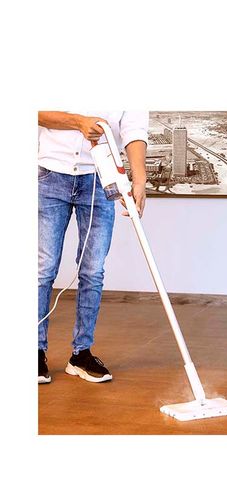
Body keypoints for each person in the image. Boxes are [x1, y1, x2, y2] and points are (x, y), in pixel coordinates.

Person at [38, 111, 149, 384]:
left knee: (93, 271)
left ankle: (81, 354)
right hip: (50, 175)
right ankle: (34, 351)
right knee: (43, 268)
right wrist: (78, 122)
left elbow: (134, 131)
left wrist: (139, 181)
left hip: (101, 179)